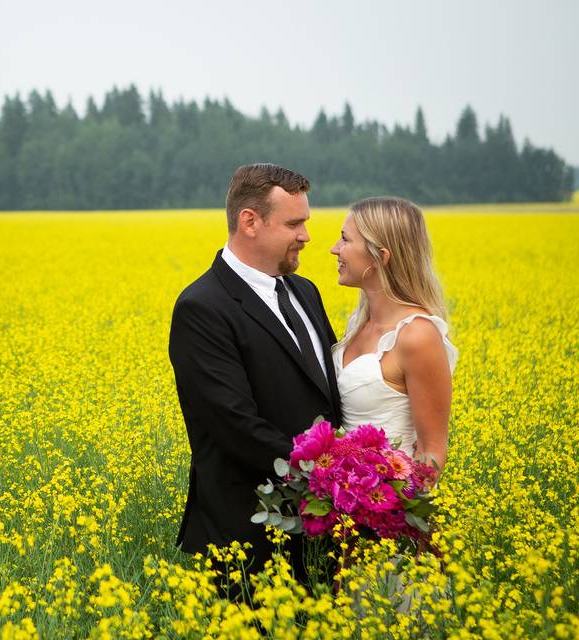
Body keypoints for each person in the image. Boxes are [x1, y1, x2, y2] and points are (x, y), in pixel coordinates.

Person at [169, 163, 342, 602]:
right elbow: (235, 425)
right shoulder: (202, 307)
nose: (306, 235)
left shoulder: (304, 291)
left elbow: (328, 392)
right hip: (248, 537)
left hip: (325, 529)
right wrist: (330, 474)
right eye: (294, 223)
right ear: (250, 221)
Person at [329, 197, 457, 474]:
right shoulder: (359, 324)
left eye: (345, 240)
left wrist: (389, 512)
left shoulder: (417, 335)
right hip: (343, 503)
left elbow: (431, 453)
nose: (334, 249)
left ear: (380, 257)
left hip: (388, 508)